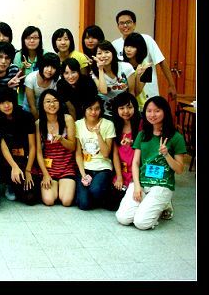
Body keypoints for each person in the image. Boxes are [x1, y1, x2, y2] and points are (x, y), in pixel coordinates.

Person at [116, 96, 187, 230]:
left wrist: (166, 154)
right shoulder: (142, 135)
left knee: (141, 223)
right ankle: (152, 203)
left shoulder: (176, 137)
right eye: (149, 111)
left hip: (162, 184)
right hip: (142, 183)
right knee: (123, 218)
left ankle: (164, 203)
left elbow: (179, 169)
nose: (152, 115)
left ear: (165, 112)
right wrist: (137, 186)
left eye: (157, 111)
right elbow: (136, 163)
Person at [112, 10, 177, 100]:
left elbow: (161, 61)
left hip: (149, 92)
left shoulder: (147, 39)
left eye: (128, 22)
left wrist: (171, 85)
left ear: (134, 24)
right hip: (127, 95)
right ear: (118, 26)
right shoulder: (114, 44)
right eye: (121, 23)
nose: (125, 25)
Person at [0, 88, 40, 205]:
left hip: (26, 159)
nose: (6, 106)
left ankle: (17, 183)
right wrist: (14, 166)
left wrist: (28, 170)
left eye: (9, 101)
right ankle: (10, 183)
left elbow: (32, 146)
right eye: (2, 103)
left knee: (31, 198)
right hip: (7, 160)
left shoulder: (26, 117)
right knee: (21, 190)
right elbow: (3, 147)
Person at [35, 89, 77, 207]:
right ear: (42, 105)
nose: (52, 104)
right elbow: (38, 152)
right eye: (48, 101)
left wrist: (62, 140)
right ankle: (56, 187)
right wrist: (45, 174)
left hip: (66, 166)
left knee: (66, 201)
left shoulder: (67, 119)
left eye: (55, 101)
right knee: (49, 200)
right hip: (49, 168)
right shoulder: (39, 123)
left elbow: (73, 147)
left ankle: (62, 187)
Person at [74, 96, 116, 210]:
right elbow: (78, 153)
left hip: (103, 168)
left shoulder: (108, 124)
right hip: (85, 168)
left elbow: (106, 154)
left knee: (95, 190)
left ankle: (101, 192)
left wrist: (98, 134)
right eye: (90, 109)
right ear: (84, 109)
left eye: (97, 109)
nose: (93, 112)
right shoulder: (78, 124)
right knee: (84, 205)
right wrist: (83, 174)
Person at [106, 92, 142, 211]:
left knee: (133, 200)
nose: (126, 111)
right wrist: (119, 177)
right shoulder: (115, 126)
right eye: (121, 108)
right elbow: (115, 154)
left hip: (137, 172)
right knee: (111, 204)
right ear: (116, 110)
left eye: (129, 107)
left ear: (135, 108)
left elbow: (144, 149)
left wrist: (132, 143)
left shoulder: (141, 125)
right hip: (122, 171)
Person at [90, 40, 136, 119]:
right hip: (106, 113)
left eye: (107, 52)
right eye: (99, 53)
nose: (103, 56)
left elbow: (131, 92)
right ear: (95, 56)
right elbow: (104, 91)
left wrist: (131, 111)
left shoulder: (126, 67)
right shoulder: (95, 72)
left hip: (125, 112)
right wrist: (100, 69)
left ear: (113, 53)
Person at [22, 52, 60, 119]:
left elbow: (56, 103)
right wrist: (39, 122)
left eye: (53, 67)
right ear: (42, 66)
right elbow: (32, 106)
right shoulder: (30, 78)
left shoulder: (58, 80)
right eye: (47, 66)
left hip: (48, 111)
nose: (49, 70)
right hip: (28, 112)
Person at [13, 26, 44, 106]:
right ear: (23, 40)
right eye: (28, 38)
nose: (32, 41)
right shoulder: (18, 56)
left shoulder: (45, 55)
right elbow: (17, 82)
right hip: (23, 100)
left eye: (35, 38)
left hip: (43, 100)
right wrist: (22, 68)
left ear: (40, 40)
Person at [123, 32, 152, 111]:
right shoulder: (121, 64)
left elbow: (137, 92)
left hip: (139, 105)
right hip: (122, 105)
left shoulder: (147, 67)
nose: (128, 49)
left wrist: (138, 75)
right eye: (126, 46)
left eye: (132, 47)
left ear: (140, 48)